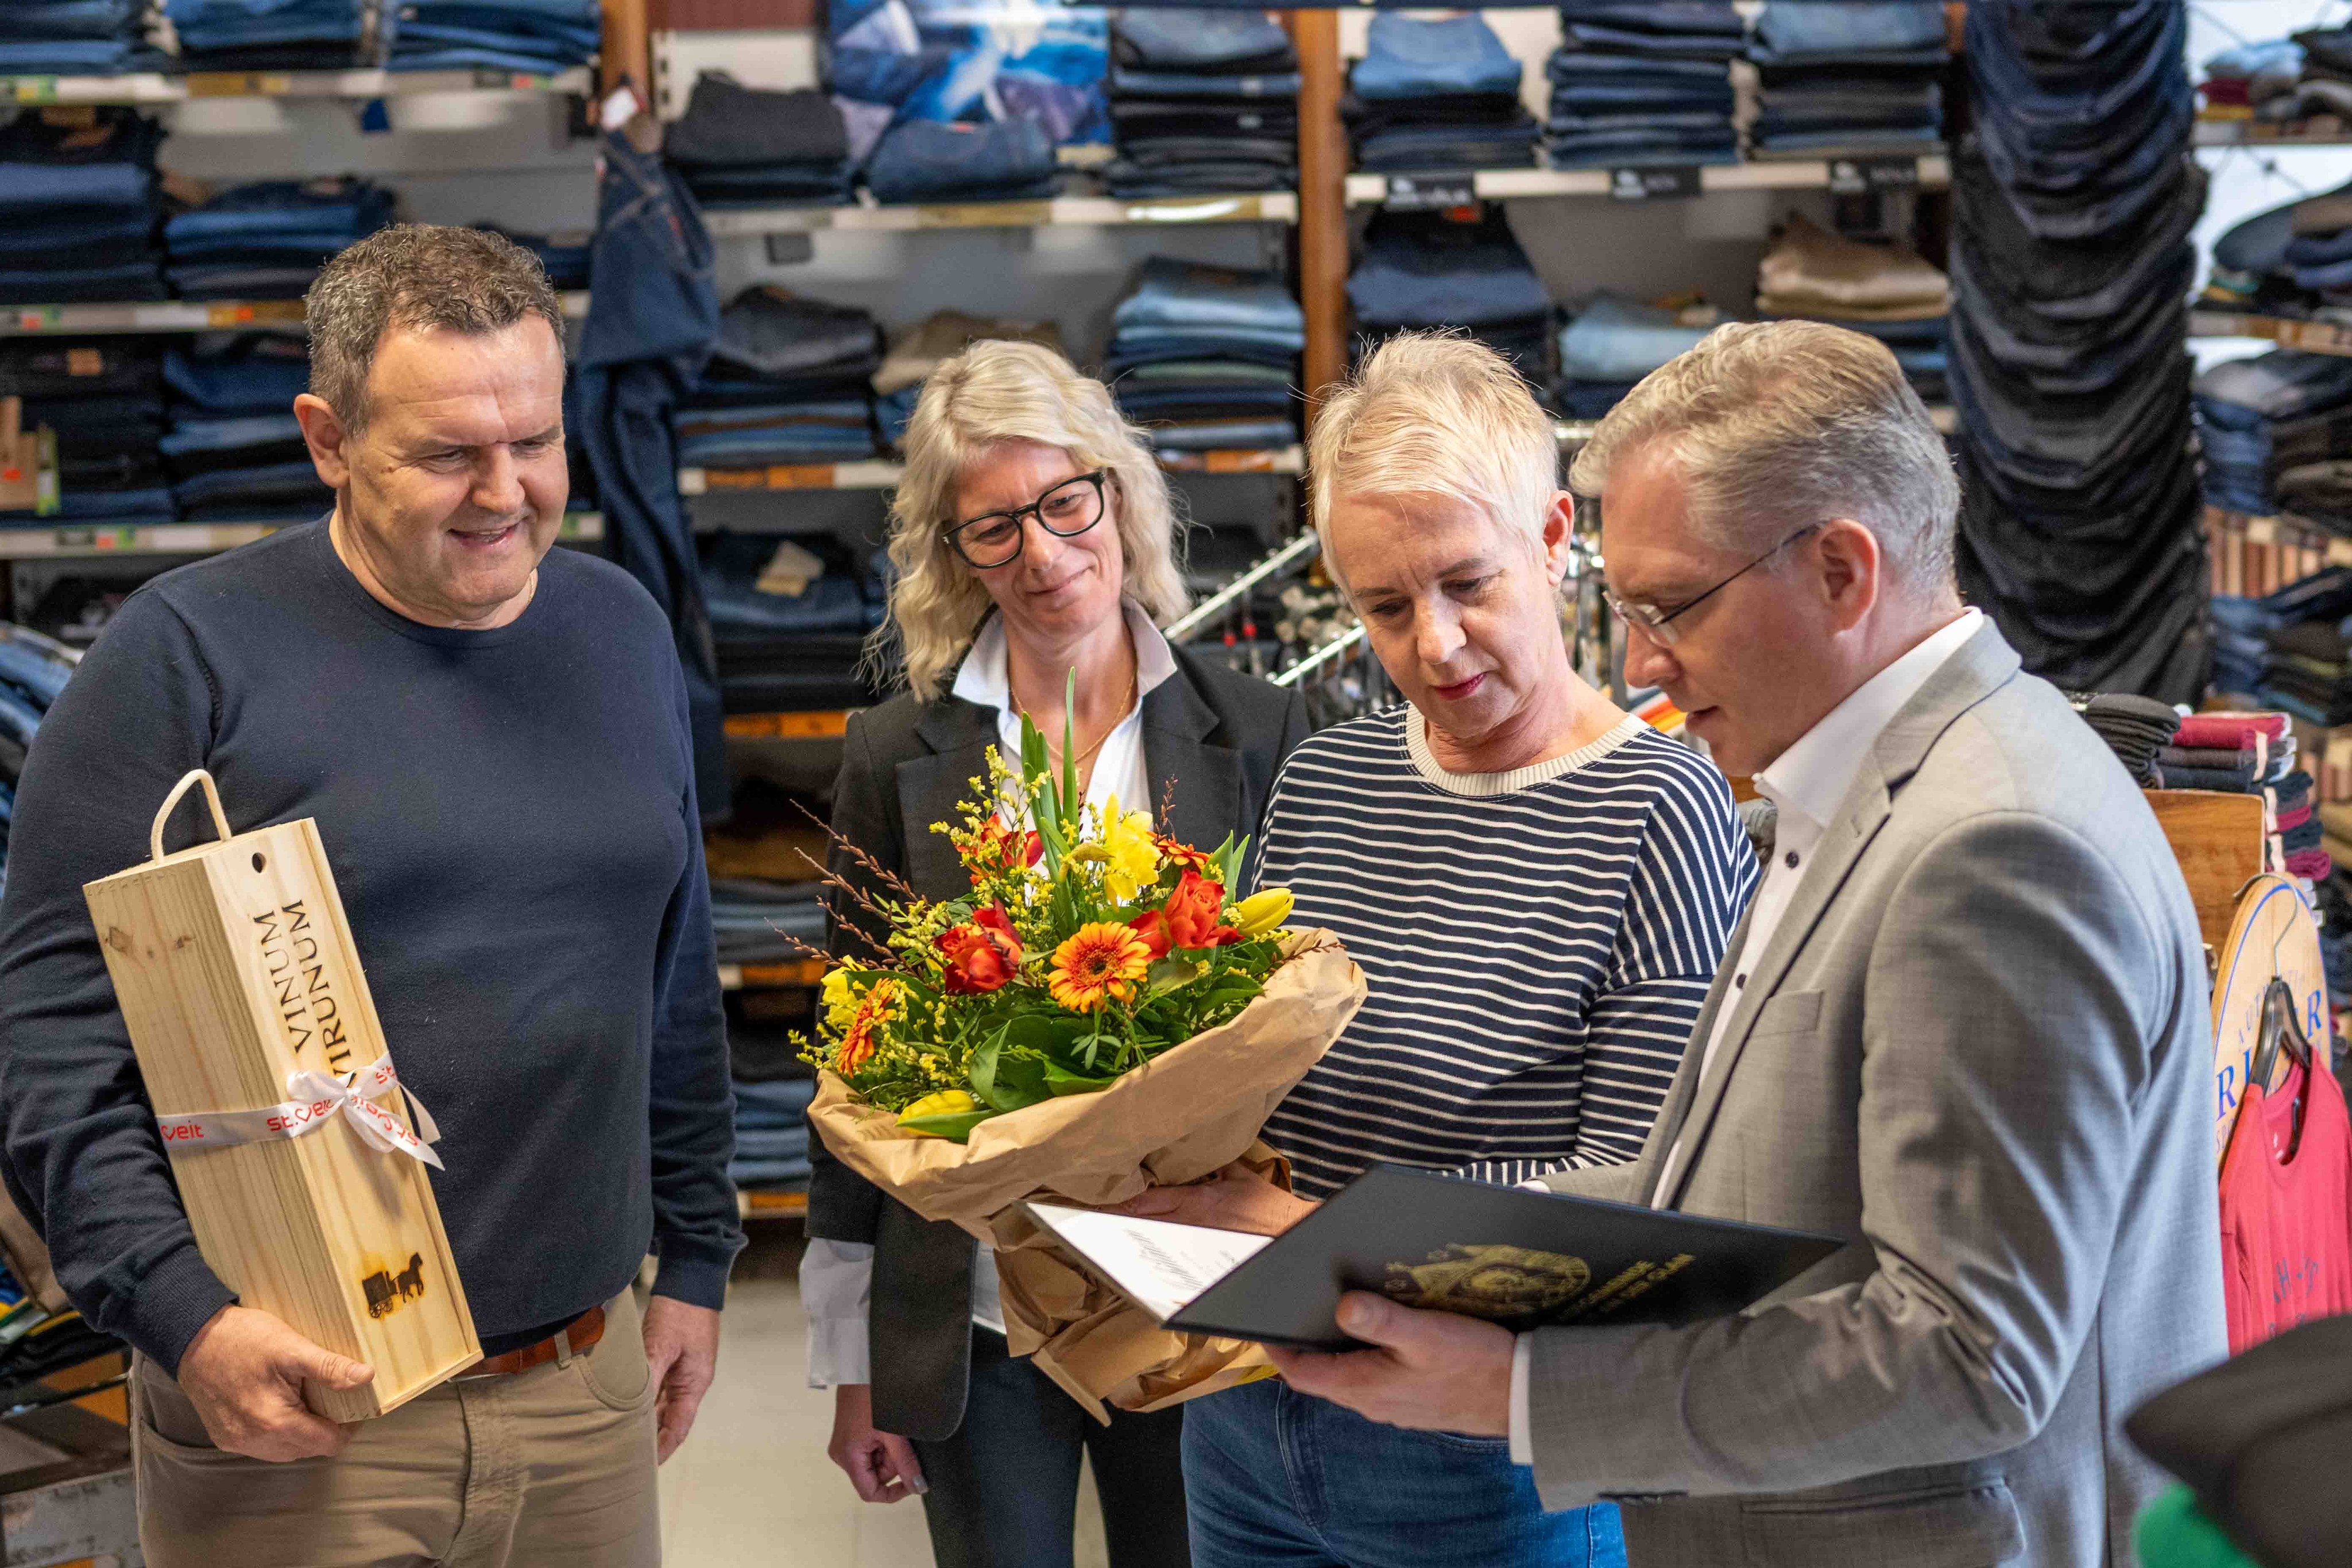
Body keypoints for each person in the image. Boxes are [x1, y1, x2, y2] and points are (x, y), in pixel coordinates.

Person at [1266, 321, 2227, 1567]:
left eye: (1671, 608)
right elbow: (1732, 1183)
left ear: (1840, 571)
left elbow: (1967, 1354)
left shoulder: (1995, 844)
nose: (1641, 662)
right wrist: (1401, 1246)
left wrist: (1519, 1394)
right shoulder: (1869, 788)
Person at [0, 226, 743, 1567]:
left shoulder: (622, 631)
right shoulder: (180, 660)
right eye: (448, 453)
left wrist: (696, 1254)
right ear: (328, 439)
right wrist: (184, 1317)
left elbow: (669, 976)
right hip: (299, 1406)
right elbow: (49, 1040)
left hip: (580, 1383)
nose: (504, 493)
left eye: (535, 440)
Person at [1117, 332, 1758, 1568]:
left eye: (1468, 584)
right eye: (1385, 606)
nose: (1436, 645)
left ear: (1556, 538)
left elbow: (1631, 1203)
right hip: (1246, 1414)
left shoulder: (1660, 808)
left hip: (1484, 1459)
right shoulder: (1325, 777)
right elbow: (1245, 1082)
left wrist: (1296, 1225)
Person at [803, 338, 1310, 1568]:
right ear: (954, 554)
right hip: (978, 1307)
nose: (1040, 553)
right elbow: (857, 1066)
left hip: (1194, 1294)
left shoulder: (1259, 728)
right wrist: (856, 1361)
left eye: (1063, 503)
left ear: (1116, 496)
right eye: (994, 527)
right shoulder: (894, 753)